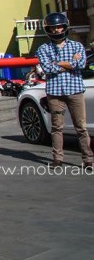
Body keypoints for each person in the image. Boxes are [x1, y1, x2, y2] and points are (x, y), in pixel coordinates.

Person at [36, 12, 92, 168]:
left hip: (75, 90)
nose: (57, 30)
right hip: (55, 93)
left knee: (81, 126)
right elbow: (47, 68)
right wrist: (68, 63)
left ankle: (88, 159)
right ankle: (57, 159)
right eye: (53, 28)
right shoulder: (43, 49)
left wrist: (58, 63)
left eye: (59, 27)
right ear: (48, 29)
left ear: (65, 27)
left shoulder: (77, 45)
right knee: (56, 127)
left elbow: (81, 64)